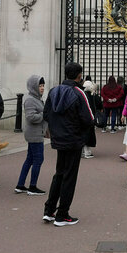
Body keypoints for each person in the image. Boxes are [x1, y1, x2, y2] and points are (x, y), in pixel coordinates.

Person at [43, 62, 94, 227]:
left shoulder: (53, 91)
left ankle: (49, 210)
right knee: (69, 177)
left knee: (59, 173)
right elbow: (88, 118)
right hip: (73, 139)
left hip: (58, 138)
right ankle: (62, 214)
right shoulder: (78, 92)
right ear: (79, 76)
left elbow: (46, 114)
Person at [15, 75, 47, 196]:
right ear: (34, 87)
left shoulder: (37, 98)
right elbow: (31, 117)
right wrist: (44, 114)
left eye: (43, 85)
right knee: (38, 159)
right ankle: (32, 187)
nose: (42, 88)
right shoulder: (30, 100)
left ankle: (20, 185)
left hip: (37, 132)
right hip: (34, 134)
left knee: (30, 159)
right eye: (40, 86)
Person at [81, 78, 101, 159]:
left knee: (84, 135)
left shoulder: (83, 94)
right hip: (90, 117)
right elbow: (98, 104)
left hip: (83, 117)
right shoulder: (92, 95)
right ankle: (87, 152)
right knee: (88, 135)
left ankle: (83, 152)